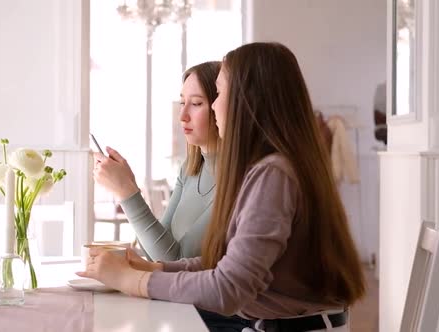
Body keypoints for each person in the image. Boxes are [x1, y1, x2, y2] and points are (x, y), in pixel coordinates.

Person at [79, 43, 365, 332]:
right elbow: (224, 263)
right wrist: (154, 269)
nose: (215, 106)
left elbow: (227, 288)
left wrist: (131, 280)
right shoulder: (276, 167)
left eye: (218, 94)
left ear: (247, 100)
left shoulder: (273, 174)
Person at [92, 61, 221, 261]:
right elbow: (155, 254)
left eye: (196, 103)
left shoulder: (240, 180)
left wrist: (126, 192)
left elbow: (173, 261)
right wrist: (128, 185)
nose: (182, 116)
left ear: (222, 107)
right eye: (182, 103)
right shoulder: (189, 169)